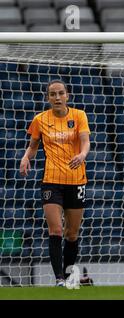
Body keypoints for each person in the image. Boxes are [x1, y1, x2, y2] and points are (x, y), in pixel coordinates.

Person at [19, 80, 91, 287]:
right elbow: (33, 146)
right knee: (56, 230)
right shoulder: (40, 120)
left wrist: (82, 154)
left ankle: (68, 275)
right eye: (53, 94)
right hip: (51, 181)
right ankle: (59, 278)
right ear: (48, 98)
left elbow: (85, 140)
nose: (57, 97)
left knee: (72, 233)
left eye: (60, 93)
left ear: (67, 95)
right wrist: (26, 158)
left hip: (76, 181)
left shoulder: (79, 116)